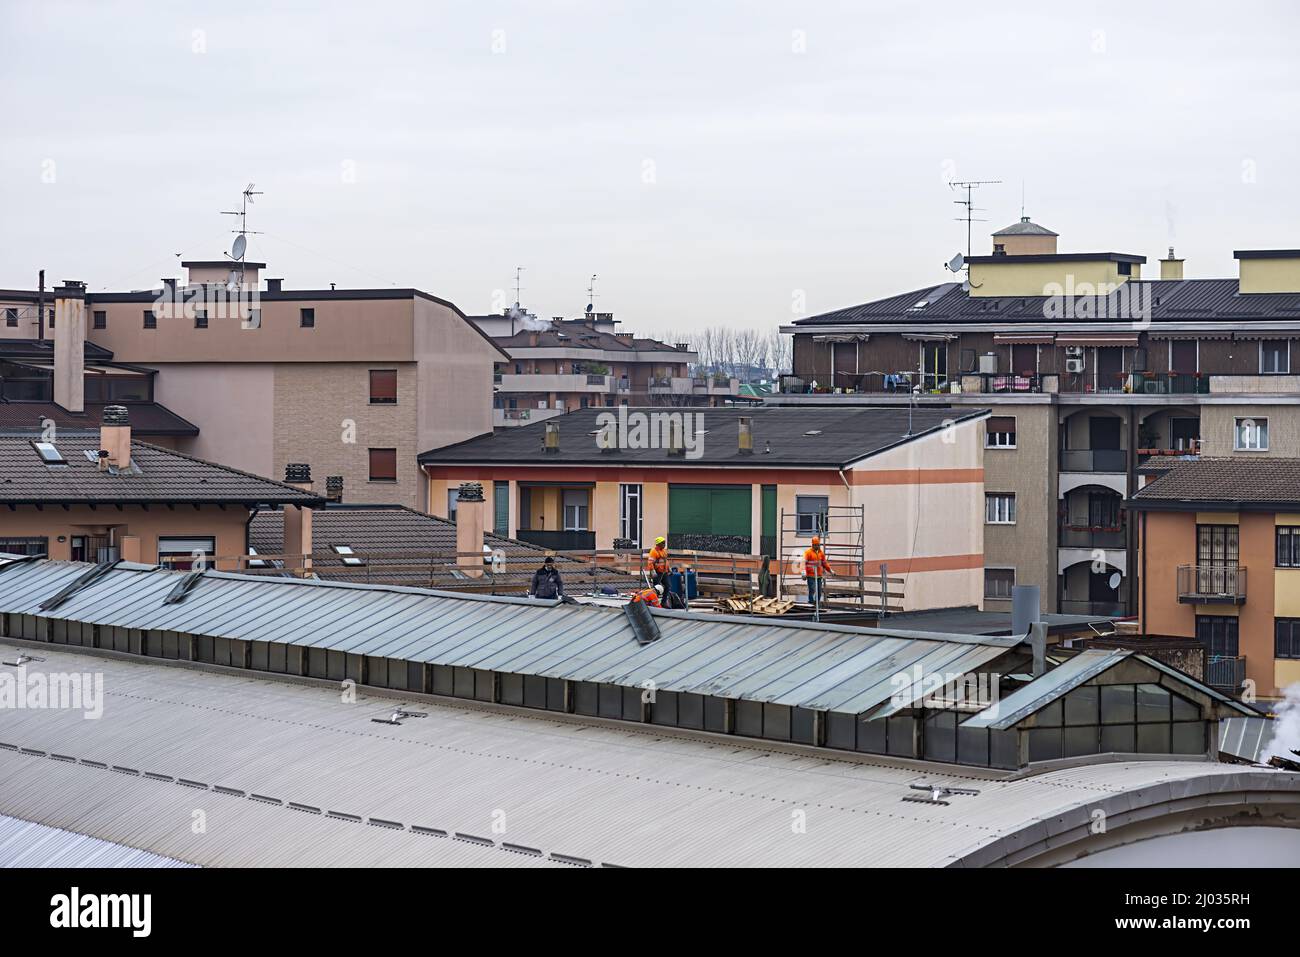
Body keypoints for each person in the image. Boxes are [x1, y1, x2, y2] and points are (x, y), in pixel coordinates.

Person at [803, 535, 832, 606]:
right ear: (812, 545)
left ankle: (817, 604)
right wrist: (803, 572)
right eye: (815, 545)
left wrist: (830, 570)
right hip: (810, 575)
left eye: (818, 545)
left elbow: (824, 563)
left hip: (819, 576)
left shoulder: (821, 553)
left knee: (819, 591)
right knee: (812, 590)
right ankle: (811, 603)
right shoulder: (808, 553)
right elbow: (803, 562)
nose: (817, 546)